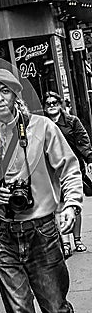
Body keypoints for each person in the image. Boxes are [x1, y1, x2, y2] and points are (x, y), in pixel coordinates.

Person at [0, 68, 84, 313]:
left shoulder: (43, 128)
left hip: (42, 234)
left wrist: (71, 204)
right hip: (3, 237)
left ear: (15, 94)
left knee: (57, 309)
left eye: (5, 91)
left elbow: (69, 169)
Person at [43, 91, 92, 258]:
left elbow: (82, 141)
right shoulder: (42, 124)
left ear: (60, 104)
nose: (51, 106)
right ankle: (65, 243)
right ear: (44, 106)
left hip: (71, 169)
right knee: (58, 206)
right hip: (52, 171)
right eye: (48, 103)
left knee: (73, 205)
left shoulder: (72, 121)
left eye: (54, 102)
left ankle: (77, 240)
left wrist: (89, 157)